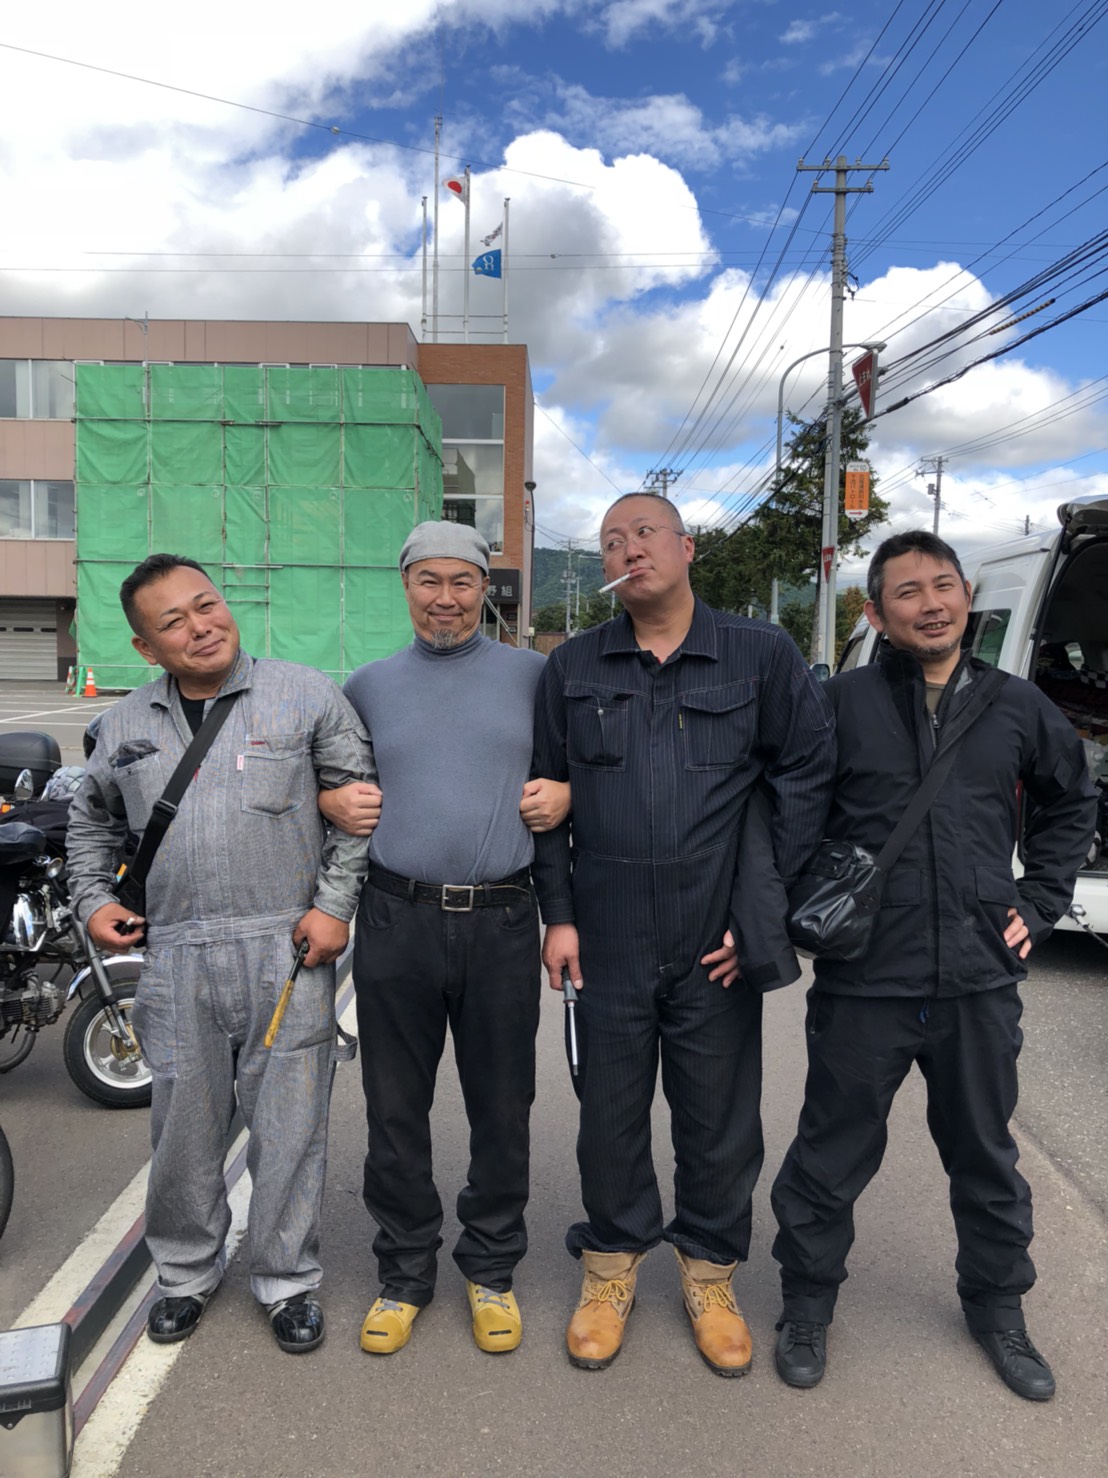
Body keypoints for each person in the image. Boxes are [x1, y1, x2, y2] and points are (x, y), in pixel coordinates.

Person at [770, 530, 1097, 1401]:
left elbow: (1072, 801)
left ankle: (998, 1308)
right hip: (865, 980)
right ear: (877, 612)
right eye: (908, 592)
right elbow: (787, 814)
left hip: (979, 980)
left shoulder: (1019, 706)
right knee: (830, 1152)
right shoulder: (838, 703)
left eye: (943, 586)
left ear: (967, 597)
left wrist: (1040, 903)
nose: (931, 604)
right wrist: (797, 905)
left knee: (985, 1156)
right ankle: (807, 1303)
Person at [532, 493, 835, 1376]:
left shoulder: (760, 653)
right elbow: (544, 793)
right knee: (608, 1114)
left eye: (645, 533)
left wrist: (762, 909)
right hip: (608, 931)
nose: (629, 550)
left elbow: (806, 772)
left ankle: (709, 1271)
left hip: (715, 936)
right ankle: (611, 1265)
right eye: (611, 541)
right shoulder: (574, 665)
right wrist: (558, 915)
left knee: (719, 1119)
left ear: (686, 547)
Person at [67, 554, 374, 1355]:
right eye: (173, 621)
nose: (201, 627)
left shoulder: (305, 694)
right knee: (182, 1133)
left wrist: (333, 907)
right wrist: (94, 900)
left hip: (287, 948)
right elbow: (91, 822)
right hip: (177, 955)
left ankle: (286, 1279)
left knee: (291, 1129)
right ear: (146, 647)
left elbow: (358, 807)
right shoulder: (123, 725)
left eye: (206, 605)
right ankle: (184, 1275)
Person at [319, 521, 568, 1358]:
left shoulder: (534, 677)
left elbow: (581, 767)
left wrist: (568, 793)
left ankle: (491, 1268)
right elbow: (332, 778)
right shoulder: (367, 686)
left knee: (503, 1106)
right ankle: (403, 1275)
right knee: (394, 1108)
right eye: (429, 581)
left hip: (503, 918)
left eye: (462, 582)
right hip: (397, 918)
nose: (446, 599)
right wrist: (327, 799)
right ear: (406, 586)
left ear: (485, 589)